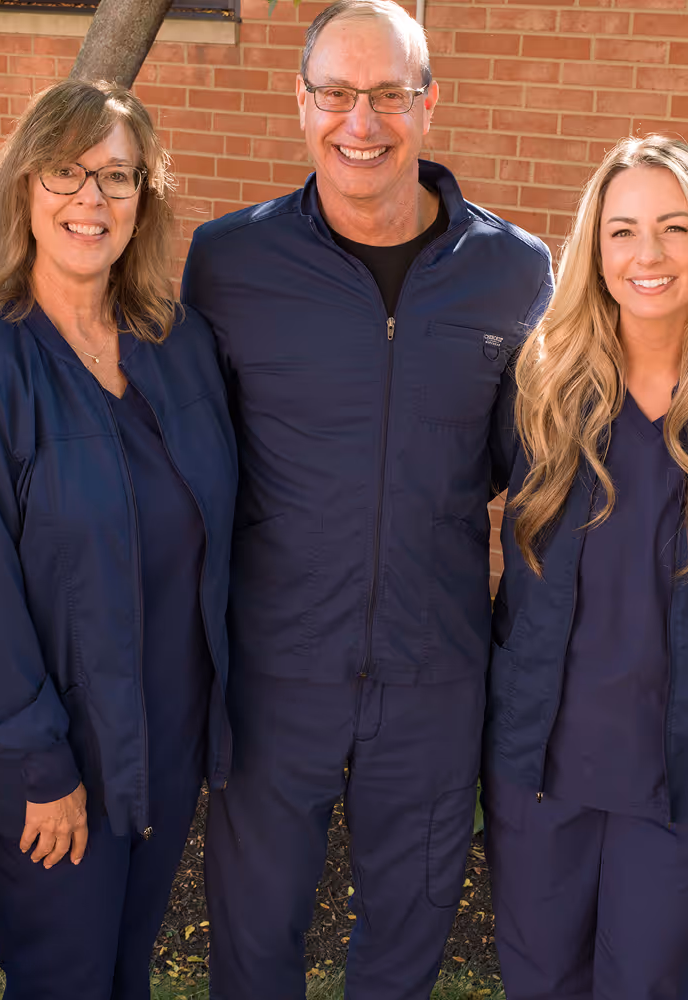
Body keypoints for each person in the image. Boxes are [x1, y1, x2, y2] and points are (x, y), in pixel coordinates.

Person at [181, 3, 553, 996]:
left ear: (428, 105)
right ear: (300, 105)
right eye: (337, 94)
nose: (362, 122)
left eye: (389, 95)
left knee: (404, 948)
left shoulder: (515, 273)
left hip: (432, 674)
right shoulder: (227, 264)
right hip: (275, 669)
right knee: (254, 947)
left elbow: (544, 471)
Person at [0, 79, 235, 998]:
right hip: (55, 760)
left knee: (126, 972)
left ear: (146, 199)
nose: (89, 200)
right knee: (64, 978)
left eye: (117, 176)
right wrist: (38, 762)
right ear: (25, 188)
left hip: (167, 744)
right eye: (66, 171)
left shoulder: (180, 345)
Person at [484, 135, 688, 1000]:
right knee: (538, 985)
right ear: (594, 249)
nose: (647, 255)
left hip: (683, 776)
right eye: (622, 231)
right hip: (540, 767)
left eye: (674, 228)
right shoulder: (541, 389)